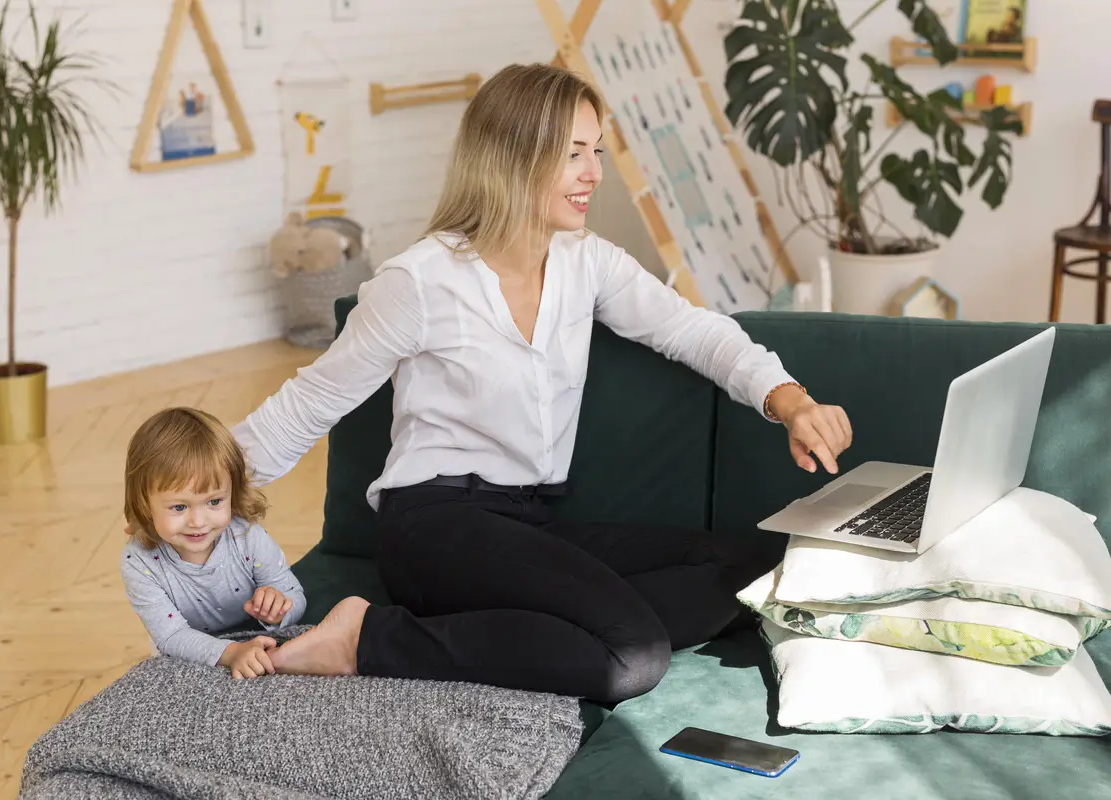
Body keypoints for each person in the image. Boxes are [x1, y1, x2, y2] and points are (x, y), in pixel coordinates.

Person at [234, 63, 852, 703]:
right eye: (573, 154)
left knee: (749, 569)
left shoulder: (588, 264)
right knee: (631, 657)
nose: (594, 173)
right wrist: (195, 500)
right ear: (511, 158)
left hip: (527, 522)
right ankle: (365, 640)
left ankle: (542, 631)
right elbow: (308, 404)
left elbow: (693, 331)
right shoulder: (419, 282)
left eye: (598, 151)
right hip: (435, 526)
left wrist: (790, 400)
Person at [121, 407, 307, 680]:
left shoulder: (247, 536)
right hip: (185, 654)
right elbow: (172, 636)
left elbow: (294, 593)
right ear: (144, 505)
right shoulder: (139, 562)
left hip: (254, 636)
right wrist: (232, 653)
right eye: (179, 506)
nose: (198, 521)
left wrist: (278, 608)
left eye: (214, 501)